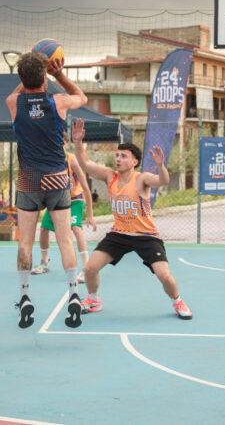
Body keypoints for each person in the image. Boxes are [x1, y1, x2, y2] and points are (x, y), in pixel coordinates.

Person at [72, 118, 193, 320]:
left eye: (123, 156)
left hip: (146, 236)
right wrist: (77, 142)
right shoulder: (110, 176)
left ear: (134, 162)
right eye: (117, 155)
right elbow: (86, 163)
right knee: (90, 268)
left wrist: (160, 166)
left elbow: (162, 180)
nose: (118, 159)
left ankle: (177, 300)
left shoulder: (142, 178)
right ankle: (93, 300)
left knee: (164, 275)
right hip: (119, 234)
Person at [6, 52, 87, 329]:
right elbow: (82, 97)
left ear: (22, 78)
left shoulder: (13, 102)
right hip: (57, 180)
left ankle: (24, 297)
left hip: (29, 181)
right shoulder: (58, 101)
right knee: (64, 239)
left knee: (25, 243)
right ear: (44, 79)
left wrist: (30, 75)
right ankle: (73, 293)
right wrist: (58, 74)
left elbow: (19, 90)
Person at [32, 131, 97, 281]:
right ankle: (45, 262)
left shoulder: (72, 160)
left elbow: (86, 187)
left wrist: (91, 215)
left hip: (75, 200)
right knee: (43, 229)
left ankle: (86, 268)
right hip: (57, 200)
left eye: (61, 143)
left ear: (66, 145)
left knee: (76, 228)